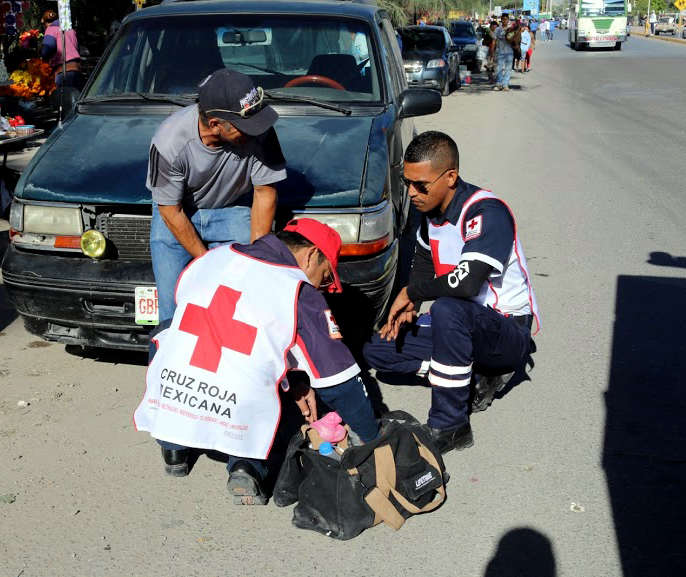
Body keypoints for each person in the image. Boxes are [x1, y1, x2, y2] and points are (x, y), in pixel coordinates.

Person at [135, 219, 381, 504]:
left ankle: (173, 446)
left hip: (174, 390)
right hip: (231, 400)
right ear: (312, 254)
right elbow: (338, 380)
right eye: (325, 277)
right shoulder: (297, 291)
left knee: (167, 332)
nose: (322, 287)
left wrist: (298, 383)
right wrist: (371, 434)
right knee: (256, 372)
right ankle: (246, 464)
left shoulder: (213, 257)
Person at [362, 131, 540, 454]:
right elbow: (423, 259)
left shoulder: (486, 213)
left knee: (446, 307)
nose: (412, 193)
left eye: (421, 185)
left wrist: (413, 291)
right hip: (459, 325)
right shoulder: (430, 216)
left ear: (451, 177)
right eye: (407, 183)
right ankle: (465, 374)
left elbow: (468, 283)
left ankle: (451, 423)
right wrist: (411, 303)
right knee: (378, 350)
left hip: (504, 331)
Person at [147, 68, 285, 328]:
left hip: (232, 210)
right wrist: (206, 263)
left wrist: (257, 256)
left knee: (248, 295)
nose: (255, 131)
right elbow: (169, 210)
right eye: (245, 127)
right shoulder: (168, 141)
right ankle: (164, 360)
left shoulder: (259, 131)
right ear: (215, 124)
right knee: (171, 311)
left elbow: (265, 192)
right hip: (178, 215)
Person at [40, 9, 82, 90]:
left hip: (63, 72)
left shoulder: (50, 29)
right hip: (76, 70)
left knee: (63, 100)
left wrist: (42, 53)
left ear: (46, 23)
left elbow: (49, 48)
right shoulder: (71, 30)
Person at [492, 14, 515, 91]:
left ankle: (505, 84)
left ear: (508, 20)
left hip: (509, 52)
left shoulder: (511, 29)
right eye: (503, 19)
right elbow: (494, 40)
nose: (505, 20)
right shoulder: (498, 29)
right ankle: (499, 84)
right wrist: (492, 50)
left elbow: (515, 40)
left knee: (508, 69)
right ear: (501, 20)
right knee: (499, 68)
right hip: (500, 52)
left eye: (506, 19)